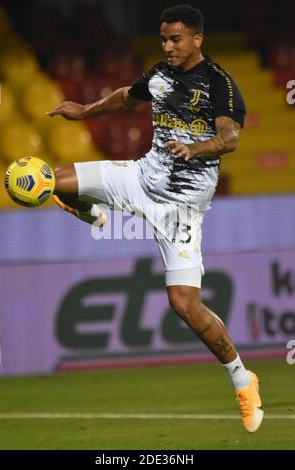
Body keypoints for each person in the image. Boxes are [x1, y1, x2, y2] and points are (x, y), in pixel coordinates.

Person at [47, 4, 263, 432]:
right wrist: (86, 110)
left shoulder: (219, 84)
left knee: (184, 304)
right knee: (50, 180)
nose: (167, 46)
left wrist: (195, 149)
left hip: (180, 205)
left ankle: (243, 379)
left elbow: (230, 137)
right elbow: (129, 95)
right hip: (140, 177)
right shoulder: (160, 74)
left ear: (197, 39)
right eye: (163, 39)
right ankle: (91, 210)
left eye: (175, 39)